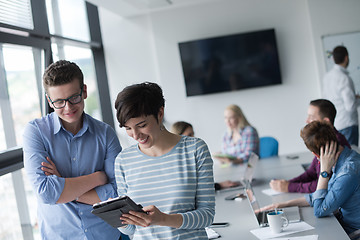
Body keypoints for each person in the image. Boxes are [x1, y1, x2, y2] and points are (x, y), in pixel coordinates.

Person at [22, 60, 125, 240]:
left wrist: (62, 183)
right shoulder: (35, 132)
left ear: (84, 91)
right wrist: (98, 178)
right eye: (59, 102)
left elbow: (118, 193)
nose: (68, 108)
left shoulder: (105, 134)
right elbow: (46, 193)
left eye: (73, 98)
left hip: (105, 235)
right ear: (49, 100)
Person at [114, 82, 215, 239]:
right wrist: (119, 218)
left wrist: (163, 219)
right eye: (127, 128)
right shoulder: (123, 161)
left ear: (160, 113)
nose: (135, 135)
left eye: (142, 125)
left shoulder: (195, 149)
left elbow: (207, 216)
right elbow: (131, 230)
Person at [261, 121, 360, 236]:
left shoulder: (347, 173)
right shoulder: (348, 157)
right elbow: (320, 195)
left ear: (316, 155)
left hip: (350, 232)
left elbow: (319, 210)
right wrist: (283, 204)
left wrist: (324, 172)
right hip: (341, 224)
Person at [270, 99, 350, 193]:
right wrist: (287, 183)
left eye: (311, 117)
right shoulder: (322, 140)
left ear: (326, 122)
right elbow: (311, 173)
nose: (307, 120)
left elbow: (324, 184)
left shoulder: (335, 144)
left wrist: (290, 187)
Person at [171, 120, 240, 190]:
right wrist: (219, 185)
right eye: (189, 135)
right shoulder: (176, 162)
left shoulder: (189, 156)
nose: (194, 138)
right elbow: (192, 189)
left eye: (193, 134)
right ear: (178, 138)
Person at [322, 45, 360, 146]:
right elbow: (350, 106)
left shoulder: (327, 77)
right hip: (348, 123)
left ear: (333, 58)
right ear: (346, 57)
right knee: (351, 158)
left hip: (335, 124)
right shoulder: (345, 78)